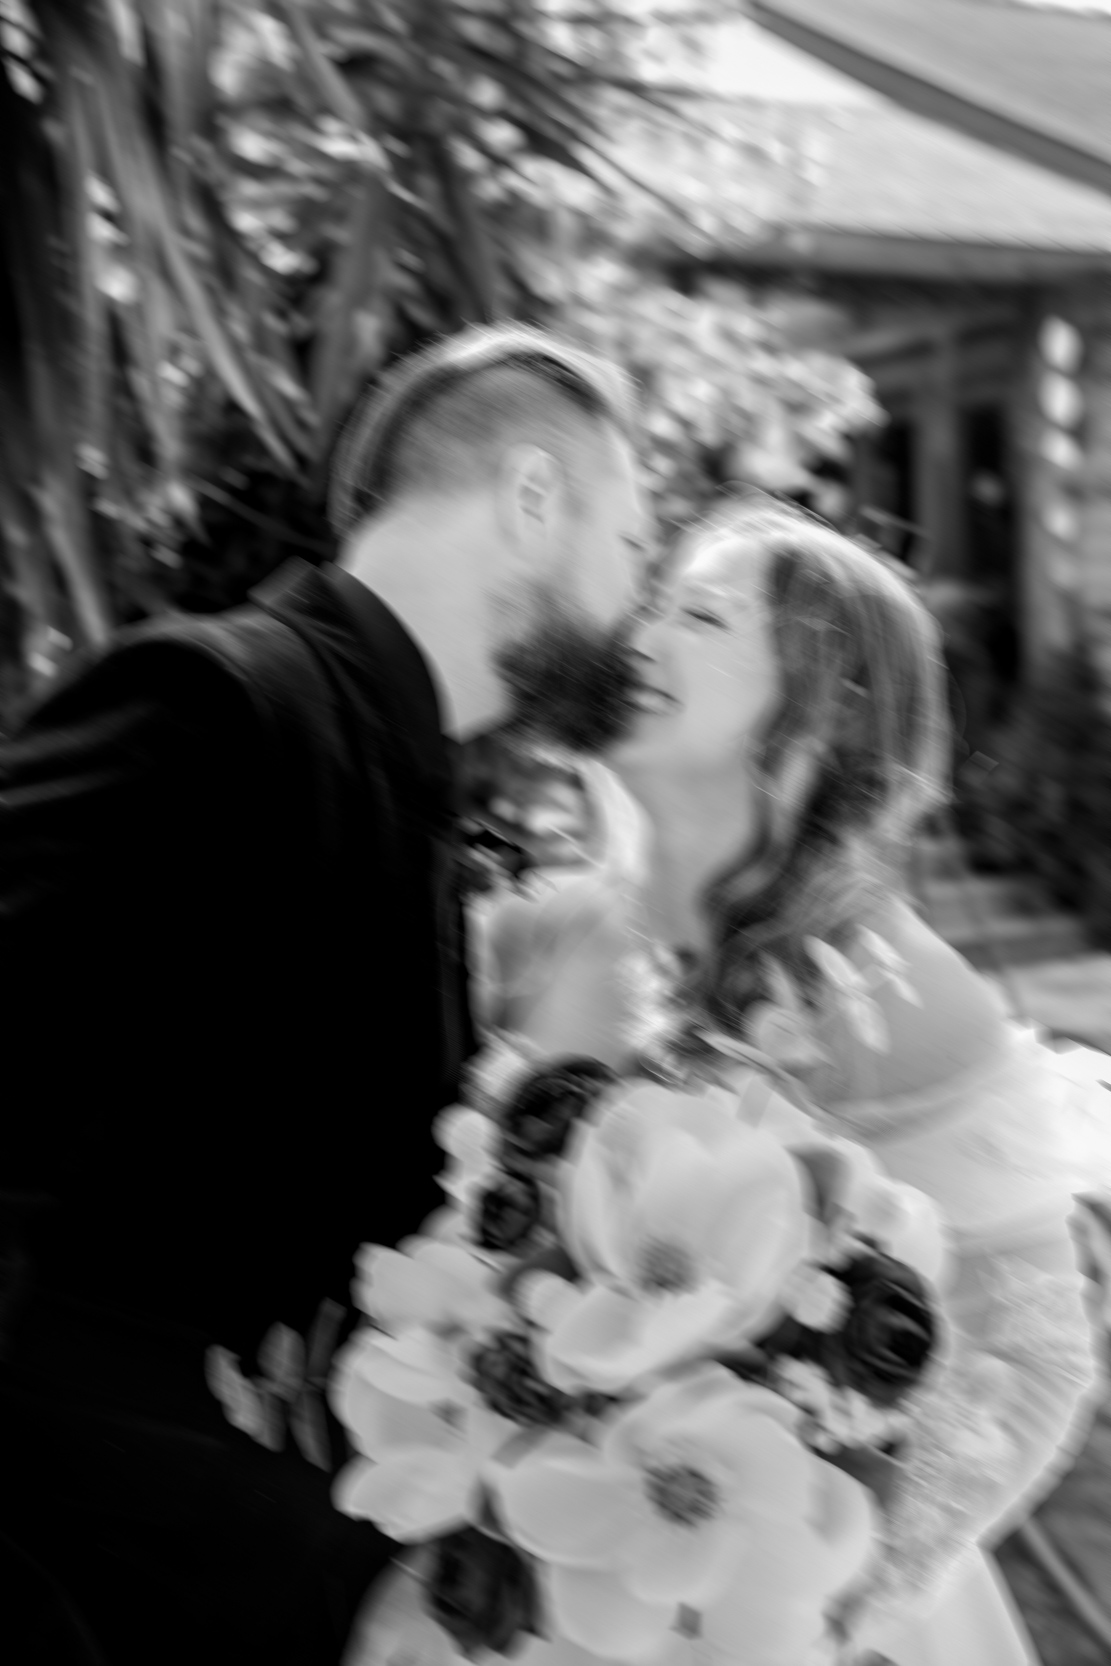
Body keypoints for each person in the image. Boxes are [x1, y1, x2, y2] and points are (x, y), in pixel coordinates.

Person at [0, 324, 652, 1666]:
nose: (633, 599)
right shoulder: (218, 703)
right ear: (531, 499)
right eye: (632, 544)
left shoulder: (406, 787)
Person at [476, 498, 1106, 1666]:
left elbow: (1034, 1352)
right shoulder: (550, 931)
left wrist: (825, 1598)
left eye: (699, 617)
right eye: (652, 602)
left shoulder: (885, 993)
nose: (639, 637)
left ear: (819, 713)